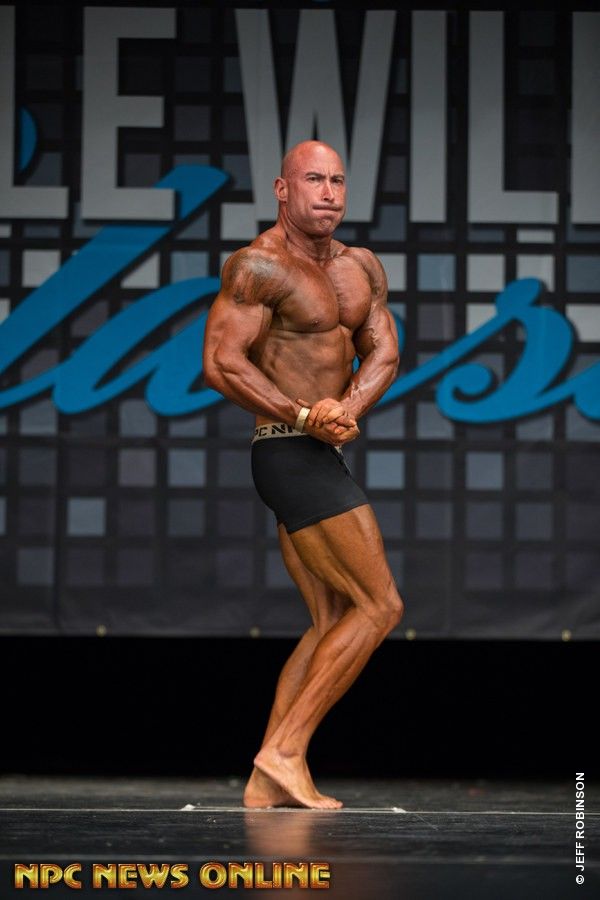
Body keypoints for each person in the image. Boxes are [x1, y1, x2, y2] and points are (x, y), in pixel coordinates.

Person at [203, 140, 404, 809]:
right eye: (313, 179)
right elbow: (223, 362)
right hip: (287, 450)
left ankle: (266, 780)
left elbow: (383, 351)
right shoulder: (259, 265)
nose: (328, 192)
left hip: (319, 449)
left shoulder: (361, 266)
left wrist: (347, 408)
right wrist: (303, 413)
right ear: (282, 189)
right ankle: (285, 750)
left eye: (337, 180)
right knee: (380, 606)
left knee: (331, 618)